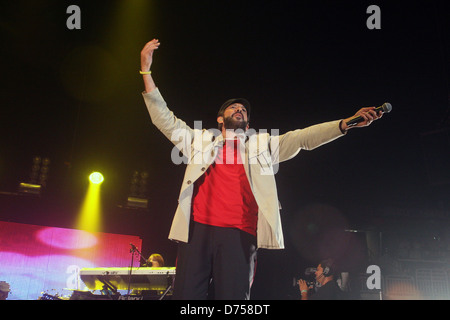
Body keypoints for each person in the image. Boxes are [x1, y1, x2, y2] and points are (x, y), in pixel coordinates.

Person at [140, 39, 383, 300]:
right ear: (220, 118)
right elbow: (164, 119)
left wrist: (344, 124)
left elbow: (302, 138)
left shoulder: (263, 144)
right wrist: (146, 71)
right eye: (233, 107)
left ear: (248, 121)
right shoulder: (200, 140)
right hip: (196, 230)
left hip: (239, 233)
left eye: (243, 109)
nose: (239, 109)